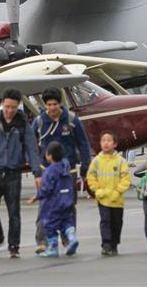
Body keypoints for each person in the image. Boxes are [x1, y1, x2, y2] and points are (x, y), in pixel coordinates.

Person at [0, 89, 43, 258]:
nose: (10, 110)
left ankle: (14, 246)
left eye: (13, 107)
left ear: (18, 106)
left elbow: (32, 149)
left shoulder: (23, 126)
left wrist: (37, 173)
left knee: (14, 212)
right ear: (2, 104)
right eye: (7, 106)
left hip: (13, 173)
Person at [30, 88, 92, 253]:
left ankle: (68, 239)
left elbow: (83, 144)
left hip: (68, 171)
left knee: (69, 205)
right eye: (48, 104)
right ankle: (42, 241)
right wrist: (36, 171)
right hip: (46, 170)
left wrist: (85, 167)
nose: (51, 108)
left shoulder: (71, 120)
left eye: (55, 104)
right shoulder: (39, 121)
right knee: (44, 206)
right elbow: (30, 146)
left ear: (60, 104)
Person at [29, 142, 79, 258]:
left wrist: (37, 196)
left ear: (49, 156)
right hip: (66, 201)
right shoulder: (66, 167)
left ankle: (53, 248)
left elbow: (47, 189)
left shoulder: (50, 171)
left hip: (54, 205)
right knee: (67, 223)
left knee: (50, 226)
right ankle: (72, 237)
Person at [86, 130, 131, 256]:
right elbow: (91, 176)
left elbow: (126, 178)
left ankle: (114, 243)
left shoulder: (121, 161)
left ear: (115, 144)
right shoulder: (96, 161)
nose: (106, 143)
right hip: (103, 198)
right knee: (105, 220)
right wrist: (96, 190)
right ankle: (106, 244)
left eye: (109, 140)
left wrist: (118, 191)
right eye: (103, 141)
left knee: (116, 222)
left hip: (117, 200)